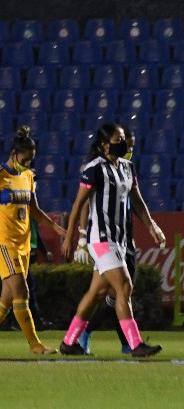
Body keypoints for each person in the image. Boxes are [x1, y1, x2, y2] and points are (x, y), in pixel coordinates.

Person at [59, 123, 163, 358]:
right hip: (102, 239)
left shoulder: (127, 167)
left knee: (97, 292)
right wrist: (72, 237)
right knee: (124, 286)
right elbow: (79, 203)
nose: (123, 143)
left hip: (120, 239)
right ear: (104, 145)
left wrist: (152, 225)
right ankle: (135, 344)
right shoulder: (94, 168)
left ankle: (69, 341)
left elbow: (137, 201)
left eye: (124, 138)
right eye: (119, 139)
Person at [0, 126, 66, 355]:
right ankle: (34, 344)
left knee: (8, 296)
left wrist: (58, 229)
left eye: (31, 160)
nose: (28, 164)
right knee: (22, 292)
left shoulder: (28, 177)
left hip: (23, 244)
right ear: (14, 154)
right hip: (4, 244)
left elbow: (34, 210)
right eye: (25, 159)